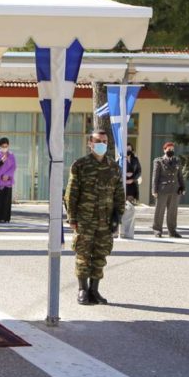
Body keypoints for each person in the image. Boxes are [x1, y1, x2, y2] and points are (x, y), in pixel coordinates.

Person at [66, 130, 125, 306]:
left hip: (105, 220)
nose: (102, 144)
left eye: (105, 141)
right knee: (83, 254)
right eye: (98, 141)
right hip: (85, 219)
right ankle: (82, 290)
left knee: (101, 254)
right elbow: (71, 194)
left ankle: (94, 290)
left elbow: (119, 194)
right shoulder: (80, 165)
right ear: (90, 143)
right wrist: (72, 218)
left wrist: (118, 216)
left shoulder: (114, 167)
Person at [151, 142, 185, 238]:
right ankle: (157, 230)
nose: (171, 151)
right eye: (169, 149)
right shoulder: (158, 161)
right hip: (162, 190)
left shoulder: (177, 160)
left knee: (173, 212)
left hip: (174, 190)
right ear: (164, 150)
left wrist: (182, 187)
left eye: (172, 150)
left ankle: (172, 231)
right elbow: (155, 177)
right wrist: (154, 190)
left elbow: (180, 175)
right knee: (159, 211)